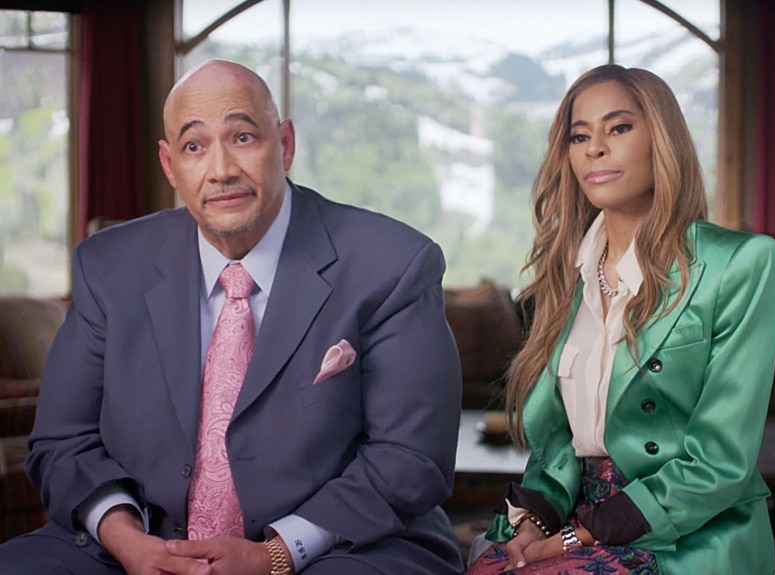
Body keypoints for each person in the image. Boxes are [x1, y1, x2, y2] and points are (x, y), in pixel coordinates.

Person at [0, 59, 464, 575]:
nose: (220, 170)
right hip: (141, 545)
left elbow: (410, 458)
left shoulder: (393, 263)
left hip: (338, 546)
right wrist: (128, 539)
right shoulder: (108, 267)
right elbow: (63, 441)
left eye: (243, 137)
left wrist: (275, 553)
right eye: (194, 146)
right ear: (170, 164)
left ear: (284, 145)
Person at [466, 64, 775, 575]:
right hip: (573, 515)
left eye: (618, 128)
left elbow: (720, 463)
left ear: (661, 139)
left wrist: (577, 536)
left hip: (680, 530)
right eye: (579, 135)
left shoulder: (742, 263)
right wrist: (535, 523)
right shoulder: (566, 274)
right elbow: (558, 448)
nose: (594, 147)